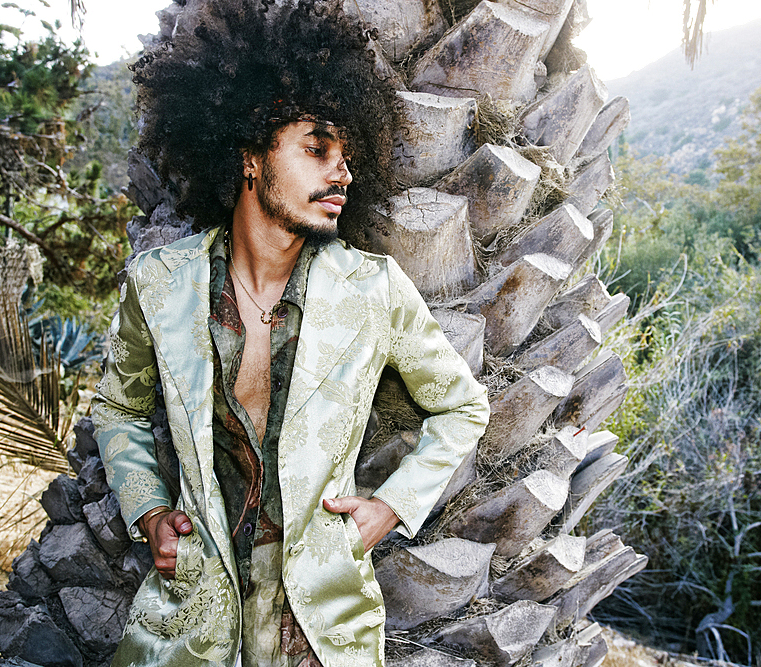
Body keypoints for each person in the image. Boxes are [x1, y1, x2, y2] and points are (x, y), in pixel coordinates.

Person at [91, 2, 490, 666]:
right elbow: (119, 406)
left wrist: (391, 505)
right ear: (249, 154)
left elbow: (463, 403)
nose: (343, 173)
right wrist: (149, 510)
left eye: (348, 155)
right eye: (318, 147)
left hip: (320, 630)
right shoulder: (159, 284)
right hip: (188, 625)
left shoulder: (373, 289)